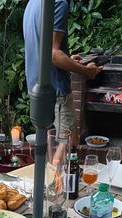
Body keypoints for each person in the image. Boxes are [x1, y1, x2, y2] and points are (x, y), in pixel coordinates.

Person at [23, 0, 102, 147]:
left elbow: (41, 49)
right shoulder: (58, 3)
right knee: (68, 146)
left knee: (47, 146)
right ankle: (62, 171)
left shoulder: (32, 4)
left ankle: (49, 170)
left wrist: (69, 60)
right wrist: (87, 71)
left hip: (35, 90)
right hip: (55, 91)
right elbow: (53, 55)